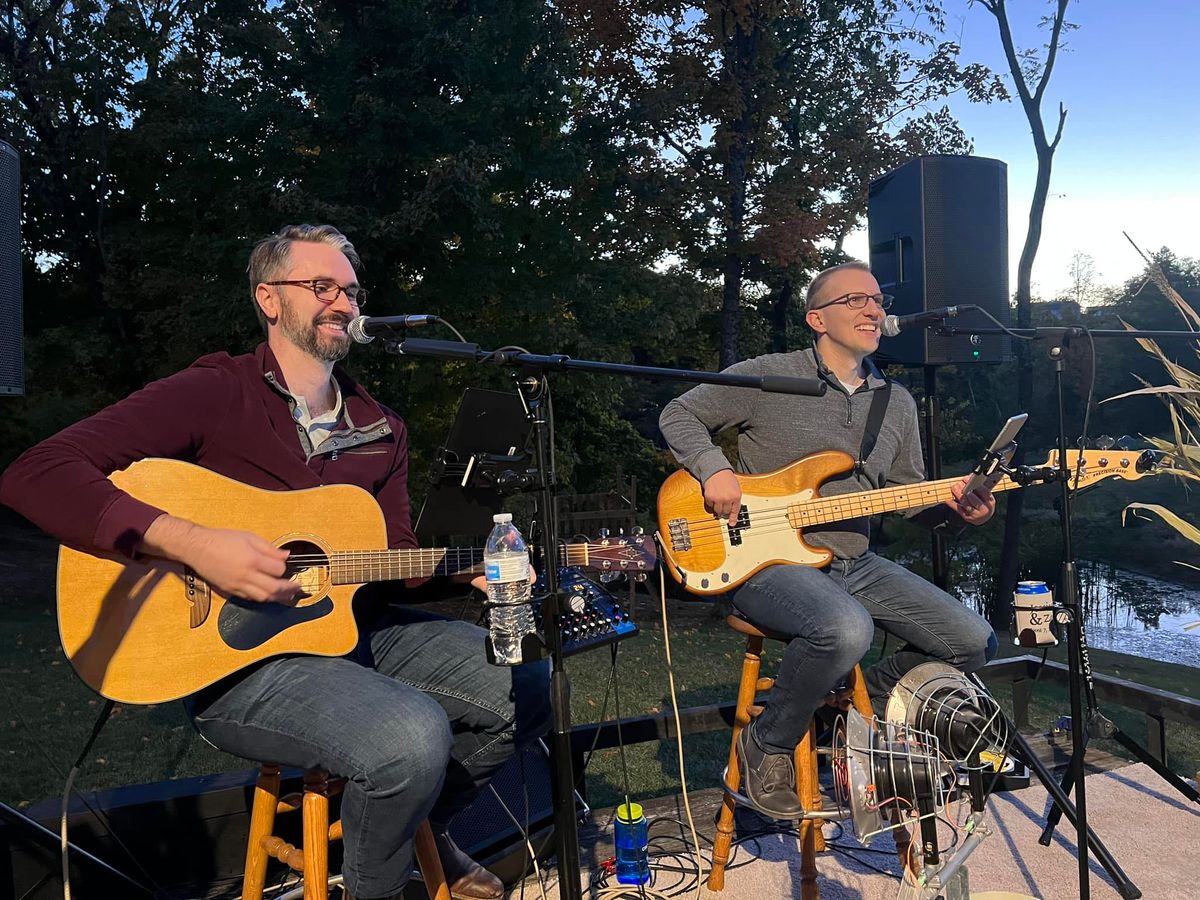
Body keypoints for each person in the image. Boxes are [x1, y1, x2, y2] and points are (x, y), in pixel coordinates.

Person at [0, 224, 550, 900]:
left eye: (350, 290)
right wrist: (190, 541)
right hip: (238, 662)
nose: (343, 303)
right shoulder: (213, 392)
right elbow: (37, 471)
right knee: (410, 735)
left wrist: (463, 566)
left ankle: (418, 826)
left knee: (530, 678)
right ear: (268, 297)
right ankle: (378, 885)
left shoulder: (382, 426)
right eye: (321, 286)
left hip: (351, 635)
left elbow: (390, 558)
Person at [658, 260, 998, 819]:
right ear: (817, 318)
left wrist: (962, 510)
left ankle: (848, 713)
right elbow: (680, 413)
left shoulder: (896, 402)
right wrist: (713, 469)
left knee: (973, 641)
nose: (873, 308)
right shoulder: (769, 375)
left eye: (878, 299)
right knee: (844, 627)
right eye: (856, 300)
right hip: (763, 560)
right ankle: (767, 743)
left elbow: (908, 495)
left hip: (854, 561)